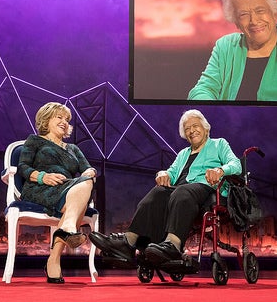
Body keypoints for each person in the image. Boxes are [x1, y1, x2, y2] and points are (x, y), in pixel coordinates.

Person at [89, 109, 241, 267]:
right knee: (158, 192)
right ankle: (128, 242)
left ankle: (173, 245)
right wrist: (163, 173)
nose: (191, 131)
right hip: (182, 193)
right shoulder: (183, 154)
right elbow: (171, 172)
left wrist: (220, 170)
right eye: (187, 129)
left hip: (208, 189)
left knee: (182, 191)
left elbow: (236, 164)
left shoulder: (219, 144)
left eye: (195, 126)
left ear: (206, 128)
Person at [17, 102, 96, 284]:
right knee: (81, 202)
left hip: (67, 189)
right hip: (40, 188)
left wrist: (90, 172)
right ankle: (66, 232)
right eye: (59, 117)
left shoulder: (74, 149)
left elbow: (88, 169)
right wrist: (42, 176)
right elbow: (23, 167)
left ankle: (59, 245)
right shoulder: (34, 141)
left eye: (66, 119)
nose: (64, 122)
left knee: (87, 181)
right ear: (46, 120)